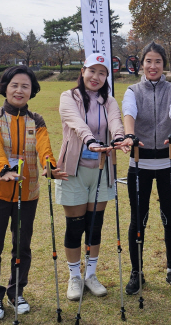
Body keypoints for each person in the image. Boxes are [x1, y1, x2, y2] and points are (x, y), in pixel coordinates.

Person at [0, 65, 67, 321]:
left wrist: (50, 167)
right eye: (14, 85)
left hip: (26, 194)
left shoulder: (36, 120)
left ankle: (16, 291)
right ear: (5, 87)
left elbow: (44, 148)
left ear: (32, 91)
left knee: (22, 247)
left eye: (25, 86)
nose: (19, 90)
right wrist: (4, 168)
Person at [121, 41, 171, 294]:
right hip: (139, 162)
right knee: (138, 219)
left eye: (158, 61)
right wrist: (129, 135)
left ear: (164, 64)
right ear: (141, 64)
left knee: (169, 217)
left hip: (168, 161)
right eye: (148, 61)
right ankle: (136, 272)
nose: (153, 66)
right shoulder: (132, 90)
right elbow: (129, 112)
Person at [56, 53, 125, 300]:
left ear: (107, 77)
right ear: (83, 70)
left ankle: (91, 275)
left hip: (101, 169)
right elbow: (74, 121)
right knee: (75, 227)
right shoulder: (69, 97)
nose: (96, 77)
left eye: (102, 73)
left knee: (94, 225)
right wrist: (90, 140)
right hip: (72, 170)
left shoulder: (109, 101)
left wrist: (118, 138)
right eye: (92, 71)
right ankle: (75, 277)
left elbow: (116, 122)